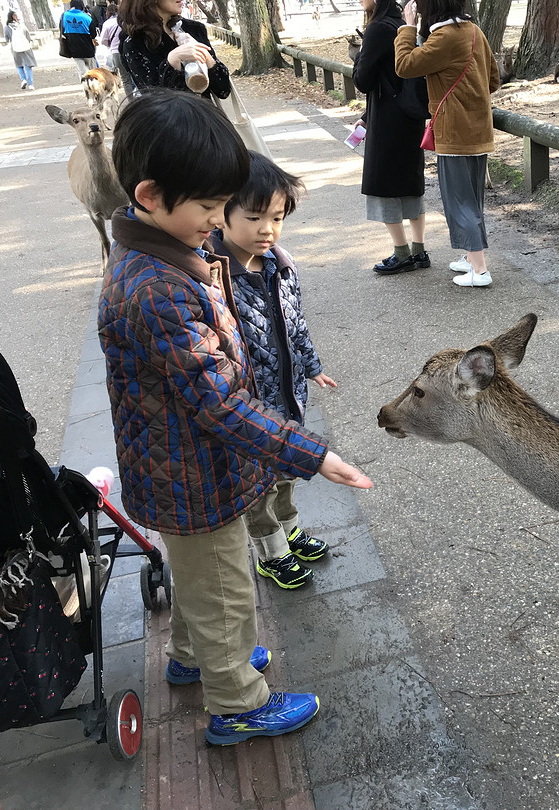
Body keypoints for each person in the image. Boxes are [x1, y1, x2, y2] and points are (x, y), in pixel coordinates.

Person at [99, 90, 373, 745]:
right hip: (193, 478)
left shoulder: (161, 256)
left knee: (200, 581)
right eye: (209, 207)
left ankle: (194, 657)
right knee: (225, 592)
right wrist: (312, 453)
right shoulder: (159, 288)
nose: (219, 220)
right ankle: (238, 705)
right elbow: (218, 402)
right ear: (151, 196)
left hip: (180, 468)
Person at [206, 152, 333, 589]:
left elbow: (295, 321)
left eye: (277, 218)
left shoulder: (281, 263)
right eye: (255, 217)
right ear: (220, 215)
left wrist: (311, 364)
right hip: (249, 400)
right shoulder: (214, 274)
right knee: (257, 479)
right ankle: (271, 550)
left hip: (288, 390)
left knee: (286, 470)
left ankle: (289, 527)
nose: (268, 229)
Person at [395, 0, 498, 288]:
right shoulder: (473, 31)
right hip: (479, 130)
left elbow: (404, 65)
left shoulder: (444, 37)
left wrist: (407, 27)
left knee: (459, 201)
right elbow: (493, 80)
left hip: (454, 133)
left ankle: (480, 269)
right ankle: (470, 257)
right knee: (471, 199)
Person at [352, 0, 429, 276]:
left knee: (382, 184)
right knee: (410, 182)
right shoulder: (400, 24)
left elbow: (362, 80)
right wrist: (366, 114)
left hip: (387, 121)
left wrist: (359, 53)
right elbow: (394, 77)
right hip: (409, 116)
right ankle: (419, 250)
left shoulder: (377, 29)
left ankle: (401, 253)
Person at [118, 0, 231, 99]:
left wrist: (204, 54)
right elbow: (153, 100)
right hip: (171, 123)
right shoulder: (135, 43)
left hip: (207, 119)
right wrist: (172, 61)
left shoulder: (193, 29)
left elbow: (223, 90)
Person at [58, 0, 99, 78]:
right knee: (94, 72)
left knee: (82, 71)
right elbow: (93, 34)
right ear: (82, 6)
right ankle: (95, 87)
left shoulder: (64, 16)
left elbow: (61, 31)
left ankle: (85, 87)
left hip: (73, 49)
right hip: (88, 49)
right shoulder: (87, 17)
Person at [4, 11, 37, 91]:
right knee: (28, 65)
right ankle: (30, 84)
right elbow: (28, 36)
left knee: (19, 65)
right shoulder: (21, 25)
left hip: (15, 48)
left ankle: (23, 79)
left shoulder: (7, 27)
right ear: (15, 16)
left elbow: (7, 39)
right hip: (25, 47)